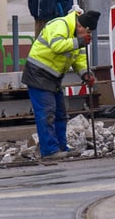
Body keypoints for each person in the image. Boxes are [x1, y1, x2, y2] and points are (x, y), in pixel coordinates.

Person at [22, 9, 99, 160]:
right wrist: (80, 41)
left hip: (53, 77)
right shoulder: (60, 24)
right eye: (85, 32)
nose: (85, 36)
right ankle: (49, 150)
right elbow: (57, 46)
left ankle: (61, 147)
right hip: (38, 74)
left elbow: (79, 60)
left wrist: (86, 73)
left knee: (59, 115)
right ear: (80, 26)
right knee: (46, 114)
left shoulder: (77, 35)